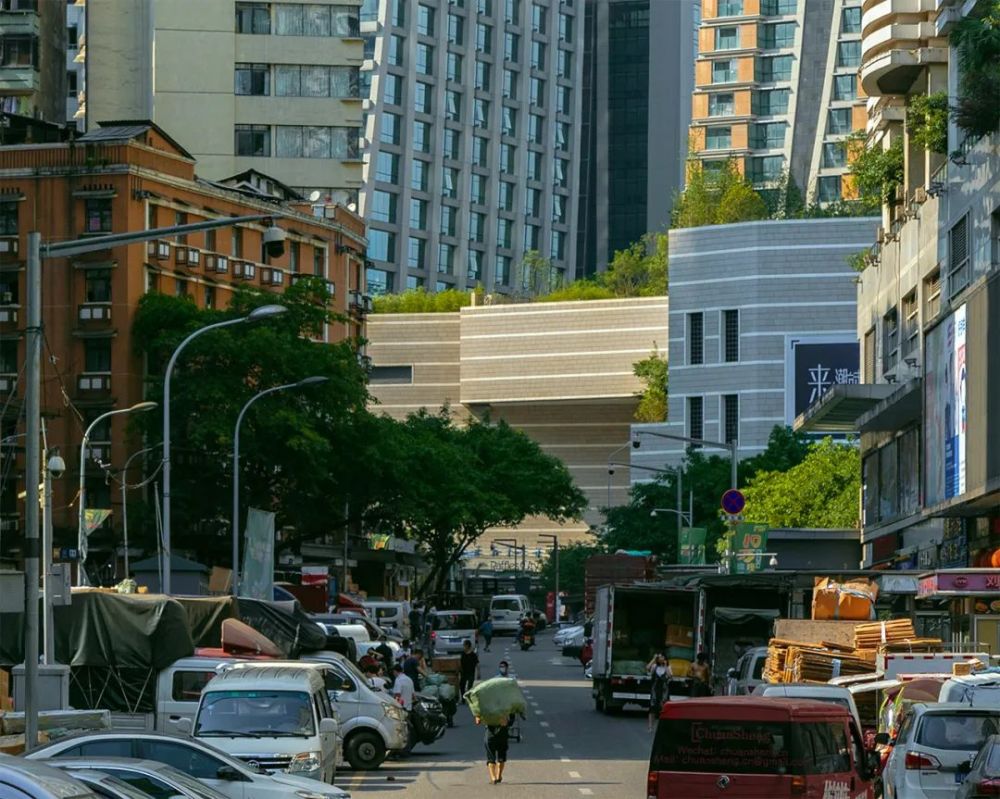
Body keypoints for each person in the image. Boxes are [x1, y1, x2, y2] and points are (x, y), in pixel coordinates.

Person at [476, 715, 510, 784]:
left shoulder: (487, 705)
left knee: (490, 756)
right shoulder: (505, 706)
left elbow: (478, 721)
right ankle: (499, 776)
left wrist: (478, 716)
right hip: (503, 733)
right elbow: (510, 718)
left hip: (490, 734)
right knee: (501, 756)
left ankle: (493, 778)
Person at [646, 653, 672, 732]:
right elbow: (647, 668)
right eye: (659, 657)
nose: (661, 658)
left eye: (662, 657)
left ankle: (663, 727)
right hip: (655, 690)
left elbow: (670, 675)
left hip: (664, 691)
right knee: (652, 709)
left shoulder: (668, 667)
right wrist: (654, 659)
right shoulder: (655, 666)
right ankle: (650, 727)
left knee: (663, 709)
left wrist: (665, 666)